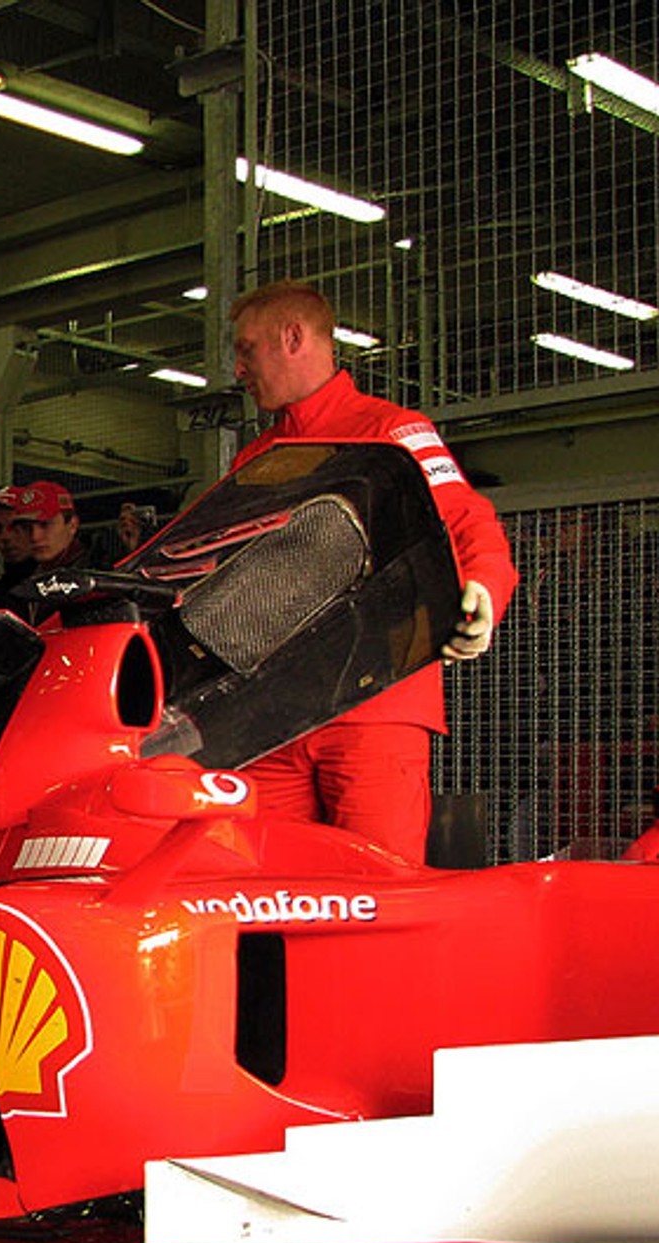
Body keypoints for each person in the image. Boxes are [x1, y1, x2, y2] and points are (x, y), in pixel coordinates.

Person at [227, 280, 517, 862]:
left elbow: (465, 518)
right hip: (273, 720)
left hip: (375, 706)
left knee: (377, 894)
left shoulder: (392, 432)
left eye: (246, 349)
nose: (237, 368)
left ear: (292, 338)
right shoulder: (254, 459)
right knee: (259, 894)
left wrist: (482, 587)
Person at [0, 480, 89, 614]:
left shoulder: (94, 577)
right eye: (27, 527)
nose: (35, 536)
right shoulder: (32, 581)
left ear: (72, 525)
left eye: (45, 524)